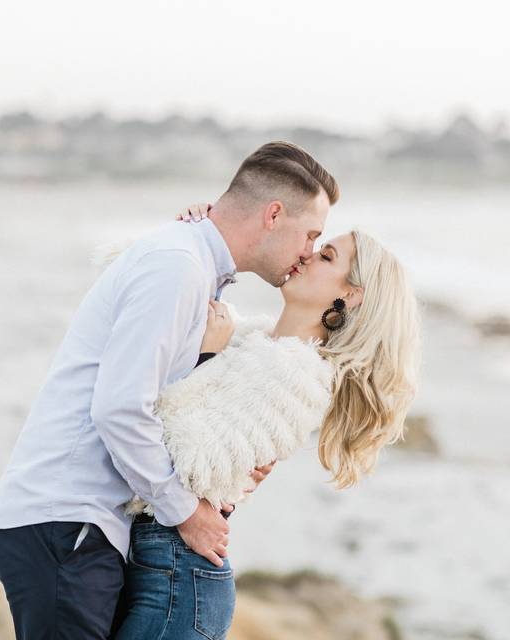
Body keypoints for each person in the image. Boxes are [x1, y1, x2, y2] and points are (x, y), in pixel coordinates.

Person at [0, 141, 338, 640]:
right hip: (67, 521)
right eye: (312, 234)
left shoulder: (189, 263)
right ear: (274, 213)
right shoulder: (178, 266)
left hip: (79, 524)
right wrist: (186, 512)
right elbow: (120, 409)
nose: (308, 252)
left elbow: (167, 403)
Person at [112, 205, 421, 640]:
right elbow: (148, 289)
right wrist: (201, 233)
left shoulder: (298, 375)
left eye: (327, 256)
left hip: (180, 576)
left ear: (352, 295)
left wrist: (207, 357)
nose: (308, 254)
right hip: (161, 563)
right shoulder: (252, 340)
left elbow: (189, 459)